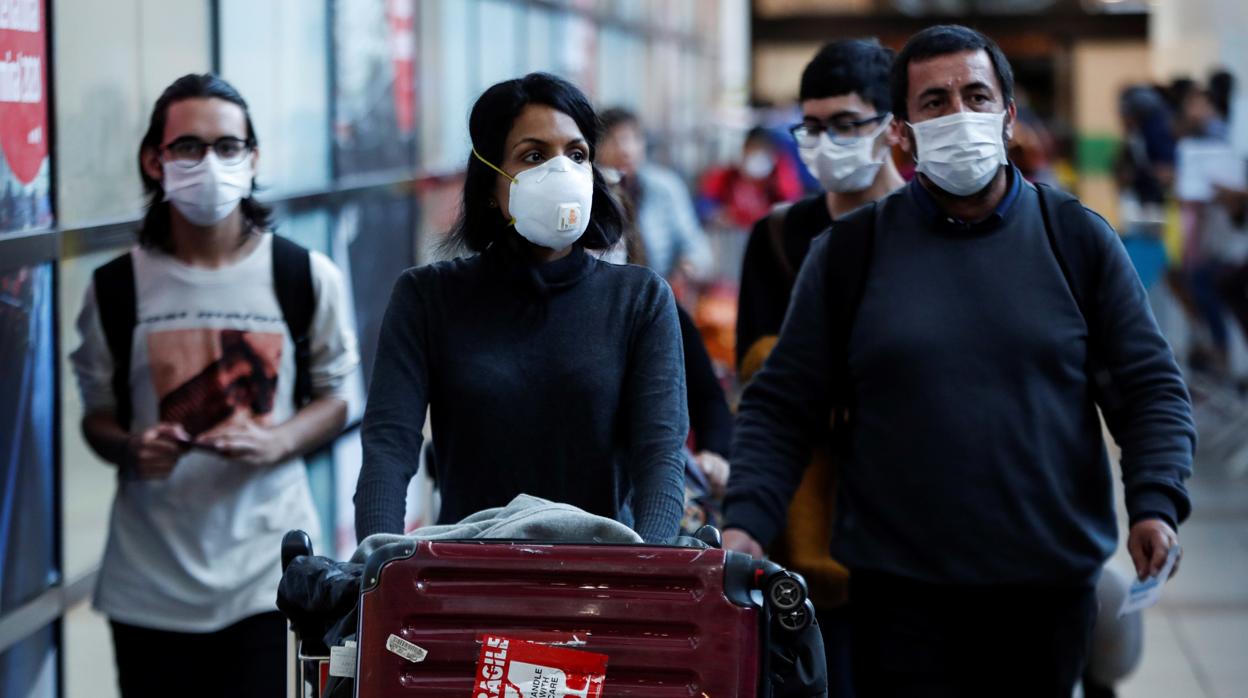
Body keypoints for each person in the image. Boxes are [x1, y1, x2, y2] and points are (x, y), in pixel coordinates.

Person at [724, 25, 1195, 697]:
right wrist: (748, 521)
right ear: (903, 135)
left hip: (1048, 591)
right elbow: (782, 404)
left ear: (1008, 119)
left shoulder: (1075, 239)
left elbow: (1150, 388)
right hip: (898, 598)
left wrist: (1155, 502)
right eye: (935, 102)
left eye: (977, 96)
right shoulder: (852, 254)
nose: (960, 114)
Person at [70, 74, 360, 696]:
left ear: (253, 159)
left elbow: (338, 398)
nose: (211, 163)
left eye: (229, 147)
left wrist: (280, 440)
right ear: (155, 160)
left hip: (266, 576)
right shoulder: (116, 287)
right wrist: (129, 446)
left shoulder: (304, 275)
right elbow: (95, 415)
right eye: (189, 147)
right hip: (149, 583)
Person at [355, 73, 687, 544]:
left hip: (604, 583)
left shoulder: (640, 300)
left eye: (576, 155)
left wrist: (652, 569)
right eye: (533, 155)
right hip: (469, 581)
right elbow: (389, 448)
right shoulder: (427, 297)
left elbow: (660, 457)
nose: (561, 171)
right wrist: (375, 563)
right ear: (492, 181)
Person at [735, 37, 905, 698]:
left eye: (844, 124)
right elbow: (765, 375)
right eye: (811, 126)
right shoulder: (778, 238)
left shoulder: (923, 228)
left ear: (889, 127)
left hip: (913, 520)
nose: (824, 141)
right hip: (807, 519)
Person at [596, 107, 713, 280]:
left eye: (632, 138)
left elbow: (695, 245)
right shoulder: (590, 192)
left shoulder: (666, 187)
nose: (625, 150)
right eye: (612, 140)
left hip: (658, 288)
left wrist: (689, 267)